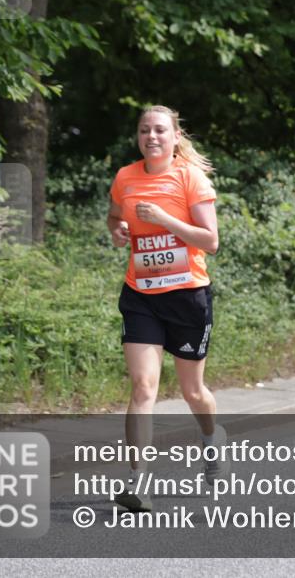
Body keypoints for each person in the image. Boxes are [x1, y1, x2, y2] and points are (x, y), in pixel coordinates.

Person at [107, 105, 226, 512]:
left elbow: (210, 241)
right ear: (138, 137)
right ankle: (138, 481)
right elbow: (113, 217)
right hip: (140, 294)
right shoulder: (125, 178)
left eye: (160, 130)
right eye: (144, 130)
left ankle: (212, 439)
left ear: (175, 136)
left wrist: (163, 219)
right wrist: (118, 231)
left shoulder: (189, 177)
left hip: (187, 296)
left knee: (193, 392)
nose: (151, 137)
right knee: (143, 388)